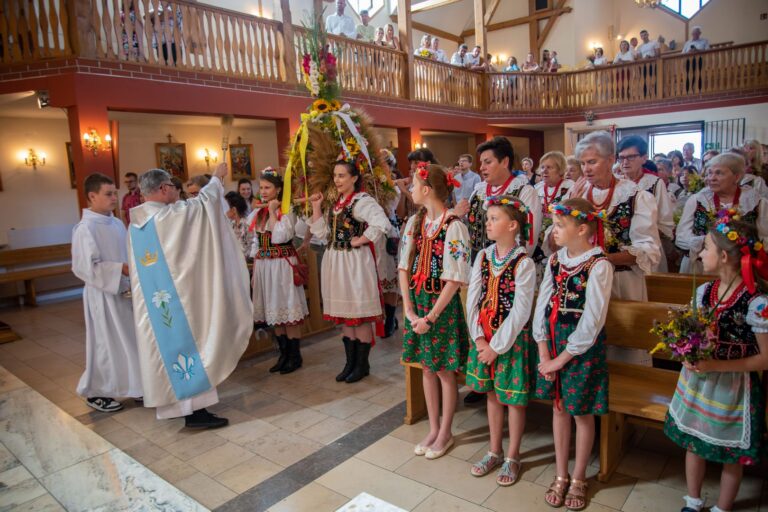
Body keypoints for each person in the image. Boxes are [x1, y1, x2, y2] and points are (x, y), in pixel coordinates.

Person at [127, 164, 251, 428]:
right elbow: (202, 205)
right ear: (162, 189)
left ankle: (187, 408)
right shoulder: (165, 217)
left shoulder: (138, 223)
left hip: (158, 305)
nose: (176, 192)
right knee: (190, 342)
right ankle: (195, 413)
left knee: (173, 348)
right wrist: (217, 178)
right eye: (173, 187)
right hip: (176, 302)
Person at [663, 216, 768, 512]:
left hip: (733, 387)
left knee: (729, 453)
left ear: (723, 256)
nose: (699, 254)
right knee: (694, 442)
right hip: (699, 382)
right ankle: (693, 502)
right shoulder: (704, 292)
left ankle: (723, 508)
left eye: (705, 248)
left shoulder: (756, 302)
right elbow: (691, 330)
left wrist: (715, 366)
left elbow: (765, 357)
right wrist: (684, 349)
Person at [534, 198, 614, 511]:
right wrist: (543, 350)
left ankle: (579, 476)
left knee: (580, 412)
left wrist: (560, 359)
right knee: (558, 408)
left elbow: (592, 322)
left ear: (582, 229)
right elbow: (542, 305)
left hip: (580, 349)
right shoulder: (555, 262)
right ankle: (561, 473)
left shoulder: (599, 265)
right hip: (552, 343)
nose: (554, 231)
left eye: (559, 225)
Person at [400, 163, 470, 460]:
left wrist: (431, 316)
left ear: (426, 190)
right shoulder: (413, 224)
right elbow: (403, 266)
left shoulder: (454, 226)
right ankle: (433, 426)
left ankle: (446, 432)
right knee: (426, 367)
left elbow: (455, 278)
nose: (411, 189)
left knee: (444, 370)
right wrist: (409, 310)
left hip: (440, 305)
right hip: (417, 303)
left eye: (414, 184)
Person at [466, 195, 535, 486]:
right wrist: (480, 338)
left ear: (512, 225)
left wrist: (496, 346)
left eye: (494, 218)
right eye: (488, 218)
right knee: (493, 395)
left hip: (510, 341)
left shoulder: (524, 263)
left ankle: (513, 455)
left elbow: (521, 312)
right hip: (485, 338)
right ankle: (494, 450)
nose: (488, 223)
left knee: (514, 401)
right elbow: (472, 299)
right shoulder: (483, 256)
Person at [308, 160, 391, 383]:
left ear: (354, 178)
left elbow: (382, 223)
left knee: (359, 317)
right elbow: (323, 234)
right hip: (335, 261)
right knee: (346, 317)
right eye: (335, 175)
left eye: (342, 175)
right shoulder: (335, 204)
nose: (337, 179)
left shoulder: (362, 201)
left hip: (355, 263)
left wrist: (361, 239)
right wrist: (316, 207)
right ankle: (350, 363)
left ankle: (362, 365)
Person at [558, 130, 660, 301]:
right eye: (582, 164)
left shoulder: (635, 196)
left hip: (622, 281)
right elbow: (555, 243)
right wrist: (570, 205)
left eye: (592, 162)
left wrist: (600, 259)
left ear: (611, 160)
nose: (586, 169)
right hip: (582, 280)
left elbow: (647, 250)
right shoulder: (576, 194)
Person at [72, 173, 142, 412]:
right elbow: (83, 268)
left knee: (131, 340)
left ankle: (137, 386)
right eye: (108, 194)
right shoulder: (85, 228)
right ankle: (96, 392)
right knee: (106, 344)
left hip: (124, 290)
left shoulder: (114, 222)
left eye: (115, 193)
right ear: (92, 196)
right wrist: (119, 269)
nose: (115, 198)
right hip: (103, 294)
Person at [248, 169, 308, 375]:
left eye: (267, 188)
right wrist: (256, 271)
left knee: (287, 309)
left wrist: (274, 212)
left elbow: (279, 237)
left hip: (282, 264)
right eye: (261, 188)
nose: (263, 192)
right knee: (275, 311)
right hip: (265, 266)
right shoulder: (258, 212)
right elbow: (256, 242)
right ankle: (283, 354)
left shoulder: (286, 209)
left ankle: (295, 355)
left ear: (278, 189)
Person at [676, 153, 768, 274]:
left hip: (741, 270)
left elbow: (765, 239)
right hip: (700, 267)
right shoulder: (697, 200)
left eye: (719, 173)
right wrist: (709, 245)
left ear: (737, 176)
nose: (711, 178)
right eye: (709, 173)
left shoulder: (756, 202)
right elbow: (681, 236)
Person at [455, 136, 542, 261]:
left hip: (507, 267)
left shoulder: (524, 192)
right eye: (481, 163)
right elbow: (469, 229)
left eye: (488, 162)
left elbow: (528, 238)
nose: (481, 167)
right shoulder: (478, 192)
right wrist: (458, 215)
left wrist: (508, 267)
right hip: (475, 265)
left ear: (505, 162)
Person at [617, 136, 674, 271]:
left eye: (631, 157)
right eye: (621, 158)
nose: (625, 162)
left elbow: (665, 221)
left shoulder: (655, 183)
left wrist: (643, 238)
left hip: (648, 248)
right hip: (619, 250)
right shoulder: (616, 184)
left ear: (644, 158)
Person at [534, 151, 574, 264]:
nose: (544, 171)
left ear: (560, 169)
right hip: (538, 238)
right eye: (542, 167)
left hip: (560, 237)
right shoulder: (537, 188)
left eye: (549, 167)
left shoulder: (570, 187)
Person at [224, 191, 250, 258]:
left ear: (233, 210)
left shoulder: (247, 225)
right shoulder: (231, 224)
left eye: (224, 207)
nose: (223, 210)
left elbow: (247, 251)